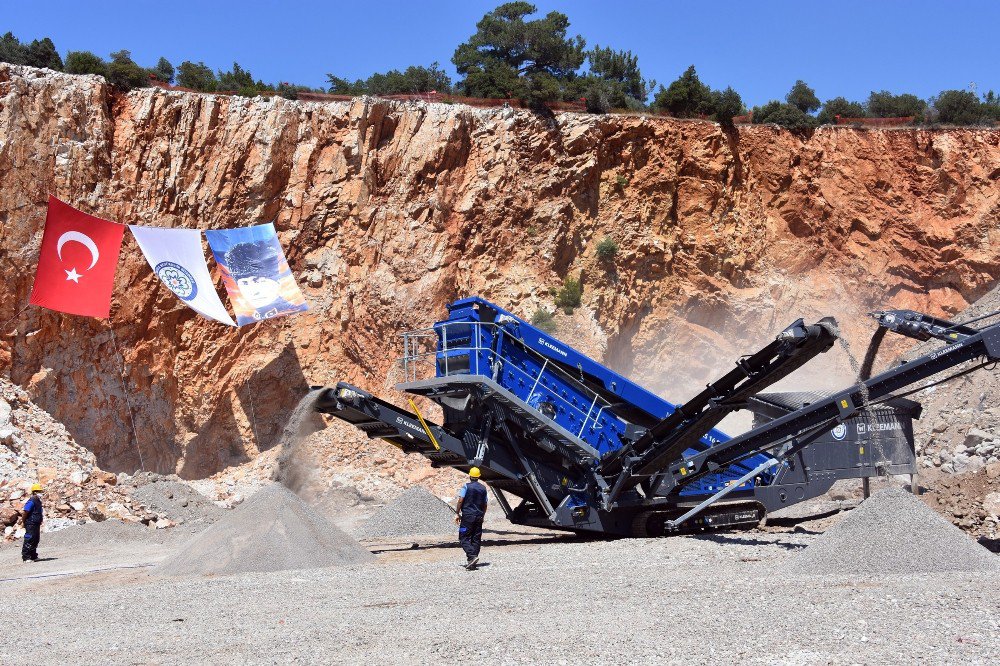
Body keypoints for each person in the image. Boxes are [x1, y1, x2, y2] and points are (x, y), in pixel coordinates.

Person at [454, 467, 488, 570]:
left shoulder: (466, 486)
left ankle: (472, 556)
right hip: (479, 516)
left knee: (463, 537)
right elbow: (485, 504)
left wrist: (457, 513)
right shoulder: (483, 488)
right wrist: (482, 516)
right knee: (476, 538)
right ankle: (472, 561)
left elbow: (460, 500)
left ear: (470, 476)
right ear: (478, 476)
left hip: (468, 517)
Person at [21, 483, 44, 562]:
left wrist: (41, 520)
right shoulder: (31, 501)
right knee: (29, 539)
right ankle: (26, 557)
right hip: (30, 523)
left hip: (36, 523)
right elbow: (25, 512)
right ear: (34, 492)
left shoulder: (38, 501)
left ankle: (33, 556)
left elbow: (39, 511)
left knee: (35, 539)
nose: (40, 493)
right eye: (38, 491)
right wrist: (23, 521)